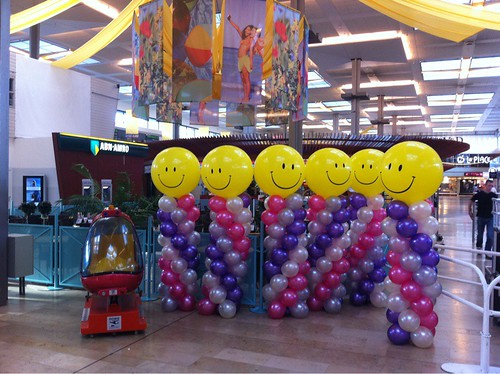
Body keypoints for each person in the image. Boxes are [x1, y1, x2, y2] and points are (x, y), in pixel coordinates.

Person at [227, 15, 257, 102]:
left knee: (246, 78)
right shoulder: (243, 37)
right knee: (243, 79)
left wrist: (251, 62)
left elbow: (251, 51)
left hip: (245, 60)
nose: (247, 30)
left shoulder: (251, 40)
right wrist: (230, 20)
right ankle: (245, 96)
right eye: (247, 29)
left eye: (249, 29)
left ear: (251, 32)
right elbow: (237, 28)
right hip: (239, 60)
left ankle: (247, 97)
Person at [469, 179, 498, 254]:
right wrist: (469, 211)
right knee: (480, 235)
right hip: (481, 217)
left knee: (490, 235)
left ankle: (487, 251)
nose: (490, 187)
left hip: (490, 218)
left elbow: (497, 204)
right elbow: (471, 200)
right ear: (485, 185)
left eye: (491, 186)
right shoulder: (479, 194)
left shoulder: (494, 195)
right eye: (489, 185)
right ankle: (479, 247)